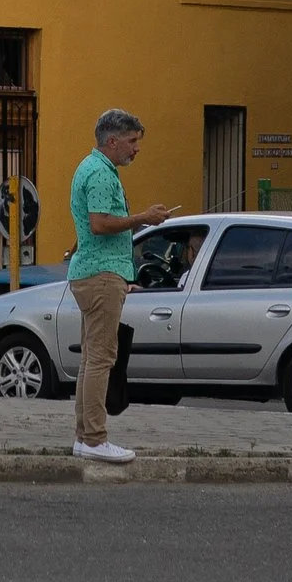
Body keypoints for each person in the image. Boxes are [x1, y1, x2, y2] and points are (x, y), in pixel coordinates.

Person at [66, 109, 175, 465]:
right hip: (101, 275)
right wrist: (144, 218)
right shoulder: (99, 173)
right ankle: (95, 439)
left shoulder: (92, 167)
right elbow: (99, 223)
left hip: (93, 271)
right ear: (112, 141)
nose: (136, 149)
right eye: (132, 141)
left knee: (91, 358)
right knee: (101, 358)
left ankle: (85, 436)